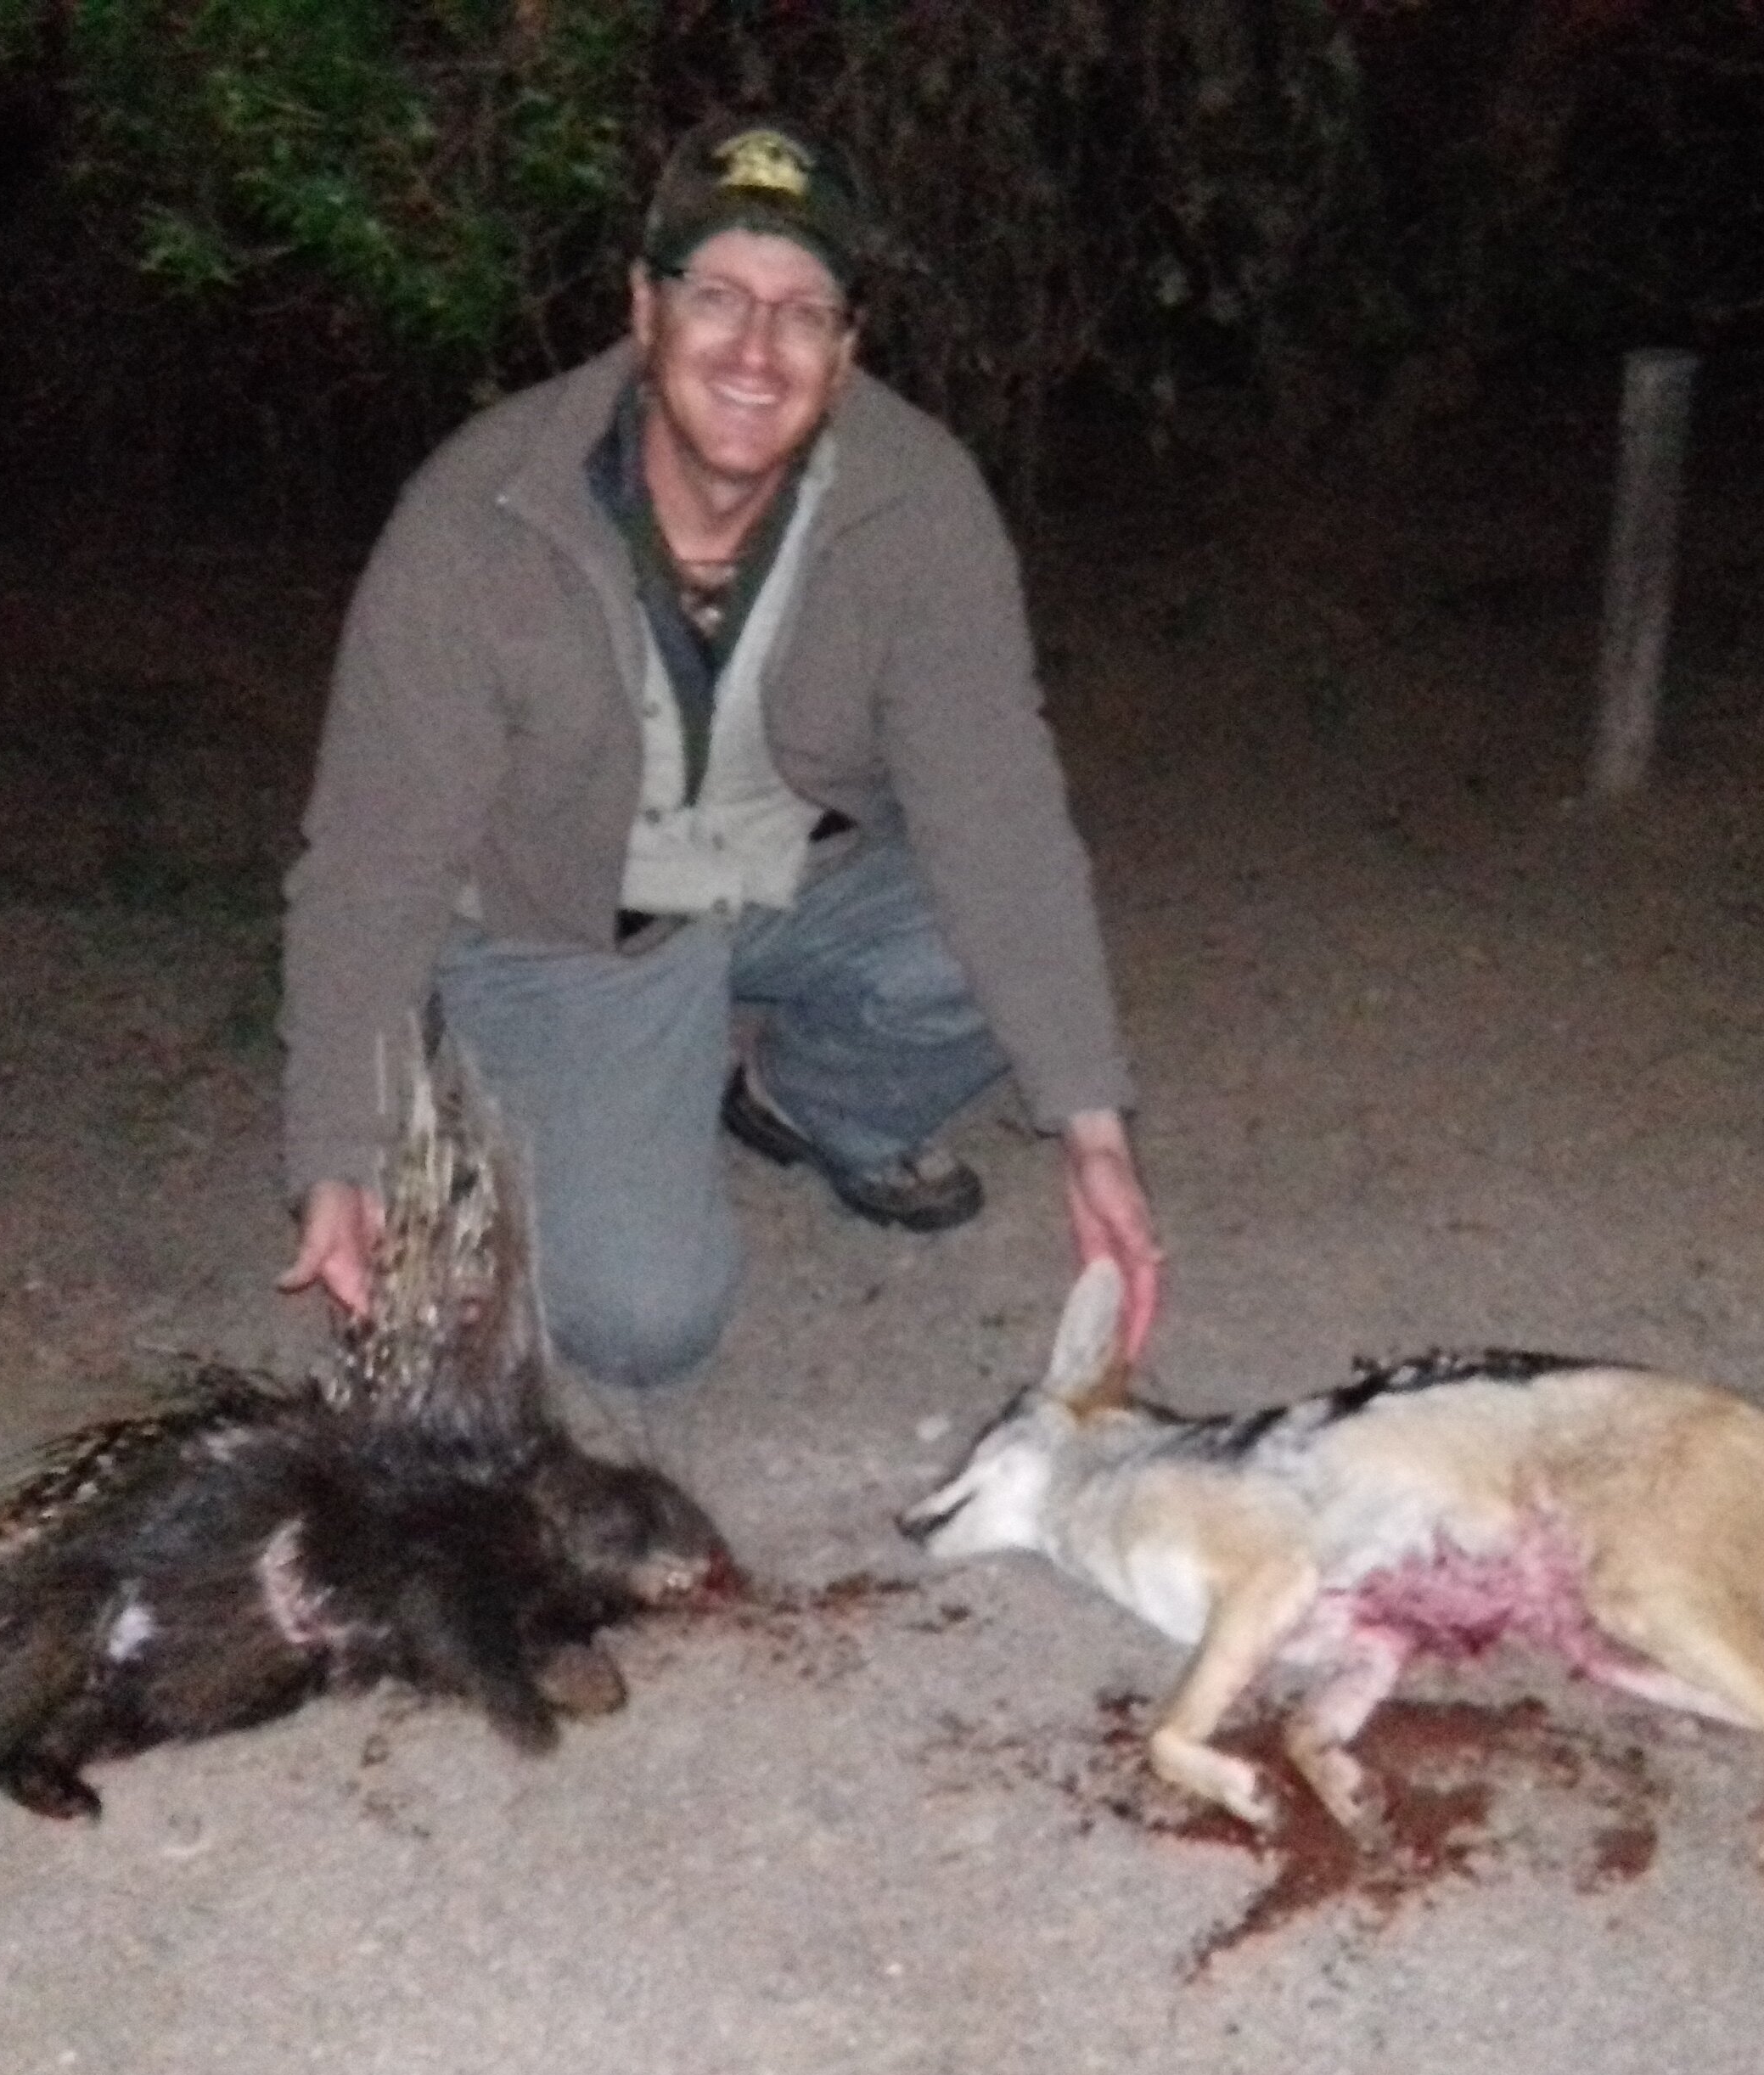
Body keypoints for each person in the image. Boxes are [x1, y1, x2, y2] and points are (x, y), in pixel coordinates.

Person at [276, 114, 1161, 1388]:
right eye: (719, 297)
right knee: (645, 1324)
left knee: (991, 946)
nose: (757, 349)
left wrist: (1095, 1133)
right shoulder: (479, 516)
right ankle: (480, 1085)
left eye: (805, 310)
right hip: (567, 923)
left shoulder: (919, 500)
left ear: (848, 350)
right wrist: (337, 1155)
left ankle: (806, 1102)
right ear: (645, 309)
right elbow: (370, 861)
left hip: (783, 868)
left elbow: (1000, 811)